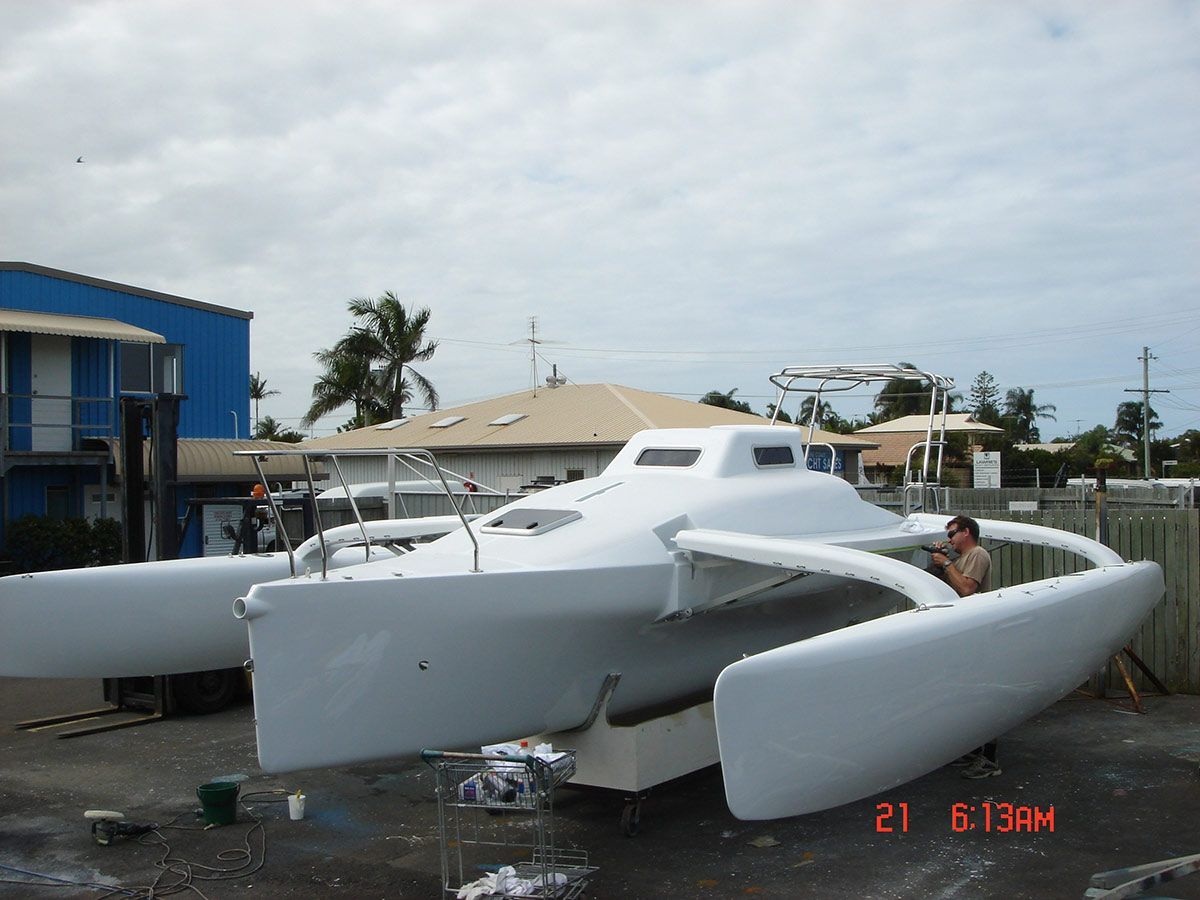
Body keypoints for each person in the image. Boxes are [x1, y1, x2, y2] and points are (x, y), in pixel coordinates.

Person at [931, 515, 1001, 779]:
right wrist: (940, 559)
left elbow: (967, 588)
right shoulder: (959, 559)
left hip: (978, 634)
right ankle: (972, 747)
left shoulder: (979, 555)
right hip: (961, 634)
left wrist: (947, 563)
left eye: (952, 534)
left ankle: (990, 758)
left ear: (967, 532)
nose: (949, 539)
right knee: (966, 694)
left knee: (983, 695)